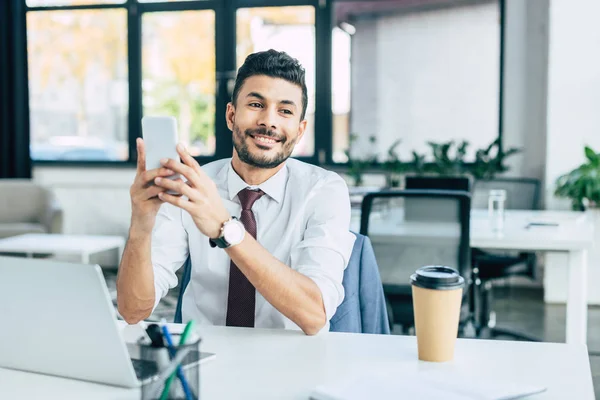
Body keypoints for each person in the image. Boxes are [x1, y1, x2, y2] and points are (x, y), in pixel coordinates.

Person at [116, 49, 355, 335]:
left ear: (300, 130)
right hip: (206, 359)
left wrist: (225, 229)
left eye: (285, 111)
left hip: (292, 364)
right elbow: (132, 311)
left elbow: (314, 315)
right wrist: (141, 225)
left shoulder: (324, 191)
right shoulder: (193, 184)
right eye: (256, 104)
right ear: (231, 115)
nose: (269, 121)